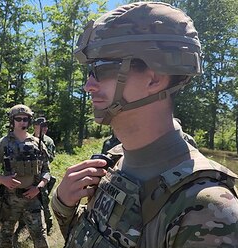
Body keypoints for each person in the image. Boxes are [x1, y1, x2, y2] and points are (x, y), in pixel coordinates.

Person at [52, 2, 238, 248]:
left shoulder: (207, 210)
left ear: (155, 79)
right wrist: (63, 205)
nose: (88, 85)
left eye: (101, 69)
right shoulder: (113, 163)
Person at [0, 104, 50, 248]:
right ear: (12, 121)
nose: (22, 122)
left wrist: (38, 188)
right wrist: (3, 179)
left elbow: (46, 171)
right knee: (6, 236)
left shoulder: (38, 144)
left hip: (32, 198)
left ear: (29, 121)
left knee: (40, 236)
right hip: (10, 199)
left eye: (25, 119)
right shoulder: (3, 144)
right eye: (18, 119)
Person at [14, 116, 57, 241]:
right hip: (28, 178)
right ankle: (23, 226)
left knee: (43, 202)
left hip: (42, 178)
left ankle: (47, 226)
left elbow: (50, 158)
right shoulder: (26, 138)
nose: (45, 128)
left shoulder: (48, 141)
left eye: (46, 126)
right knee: (24, 202)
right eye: (41, 125)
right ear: (35, 126)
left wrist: (40, 146)